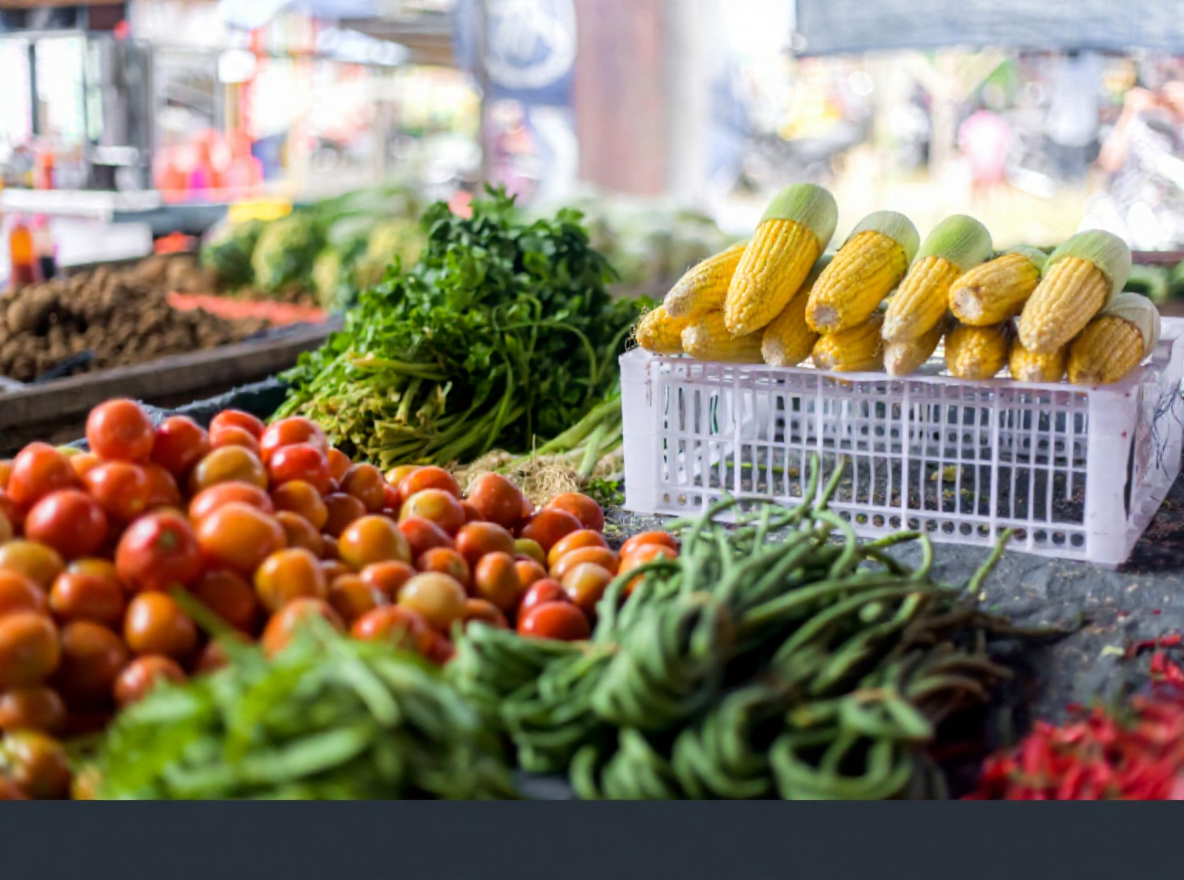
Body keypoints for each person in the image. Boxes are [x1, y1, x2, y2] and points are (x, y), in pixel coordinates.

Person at [1045, 51, 1103, 184]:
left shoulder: (1060, 68)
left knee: (1063, 180)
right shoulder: (1091, 65)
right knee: (1075, 180)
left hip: (1066, 132)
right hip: (1079, 132)